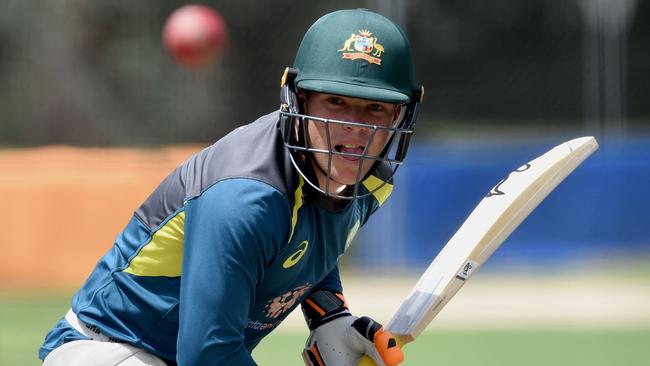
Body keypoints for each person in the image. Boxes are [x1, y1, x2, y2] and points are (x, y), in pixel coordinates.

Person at [39, 8, 423, 366]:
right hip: (108, 350)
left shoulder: (368, 180)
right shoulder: (246, 197)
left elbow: (311, 242)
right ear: (298, 99)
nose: (357, 127)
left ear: (400, 114)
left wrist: (328, 313)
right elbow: (208, 355)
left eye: (375, 107)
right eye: (336, 101)